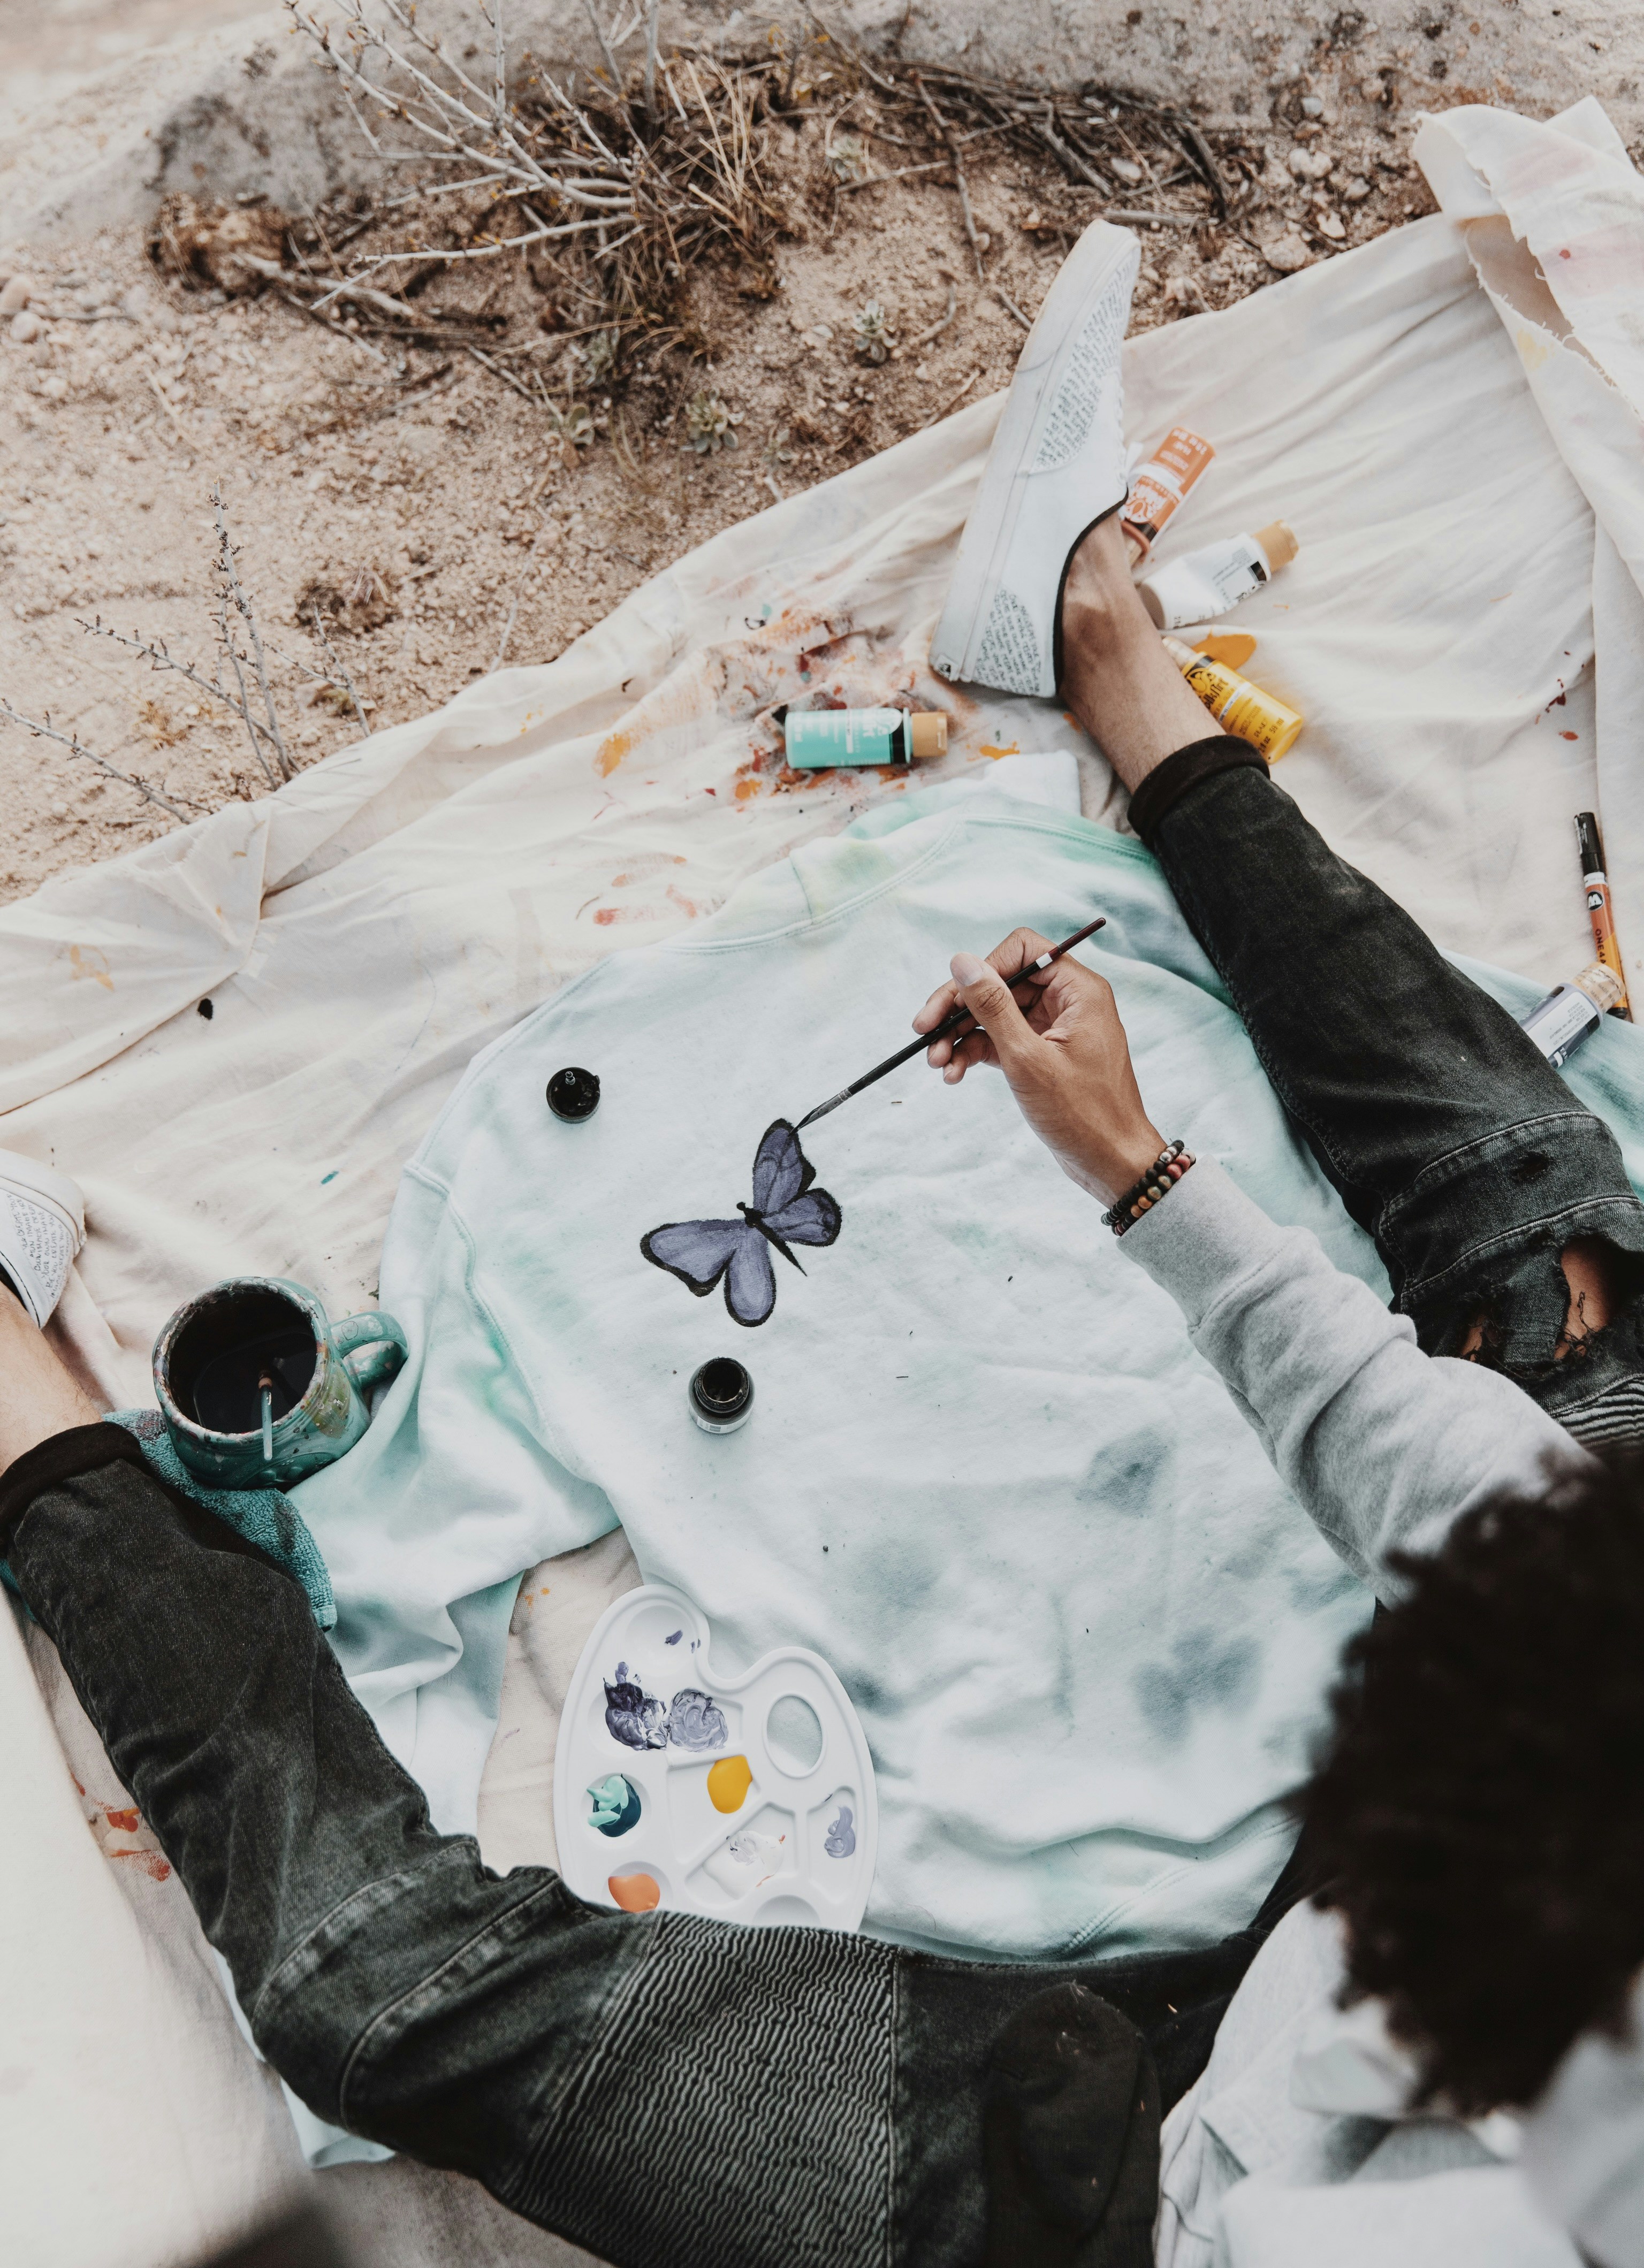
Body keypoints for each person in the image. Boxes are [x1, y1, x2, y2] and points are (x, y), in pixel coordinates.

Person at [5, 219, 1642, 2268]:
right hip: (1494, 1848)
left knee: (379, 1996)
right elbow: (1523, 1538)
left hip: (1131, 2204)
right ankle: (1121, 679)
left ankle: (16, 1404)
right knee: (1565, 1255)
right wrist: (1146, 1181)